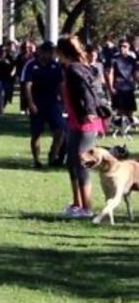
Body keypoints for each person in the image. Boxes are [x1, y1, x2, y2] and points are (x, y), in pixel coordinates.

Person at [57, 36, 104, 219]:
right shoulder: (71, 68)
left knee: (81, 163)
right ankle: (77, 204)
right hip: (75, 121)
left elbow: (86, 92)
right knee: (71, 163)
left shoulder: (75, 69)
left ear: (61, 52)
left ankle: (87, 207)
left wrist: (88, 111)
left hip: (86, 122)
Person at [22, 42, 65, 169]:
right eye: (48, 52)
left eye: (52, 52)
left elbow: (60, 85)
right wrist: (30, 103)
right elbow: (27, 85)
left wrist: (64, 102)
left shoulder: (55, 66)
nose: (51, 55)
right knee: (36, 134)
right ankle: (36, 160)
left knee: (60, 130)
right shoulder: (31, 65)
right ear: (41, 52)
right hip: (37, 103)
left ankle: (53, 154)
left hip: (53, 103)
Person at [107, 39, 137, 125]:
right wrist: (111, 87)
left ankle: (128, 127)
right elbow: (111, 73)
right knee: (120, 110)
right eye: (120, 46)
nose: (122, 48)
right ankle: (120, 126)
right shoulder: (114, 59)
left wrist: (136, 83)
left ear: (129, 47)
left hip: (129, 87)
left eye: (124, 46)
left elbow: (135, 74)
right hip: (118, 87)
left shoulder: (132, 60)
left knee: (130, 110)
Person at [0, 45, 16, 113]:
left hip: (7, 78)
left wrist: (8, 63)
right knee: (0, 94)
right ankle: (1, 109)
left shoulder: (9, 57)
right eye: (2, 51)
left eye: (5, 51)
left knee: (7, 94)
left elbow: (13, 67)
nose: (3, 52)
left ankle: (3, 106)